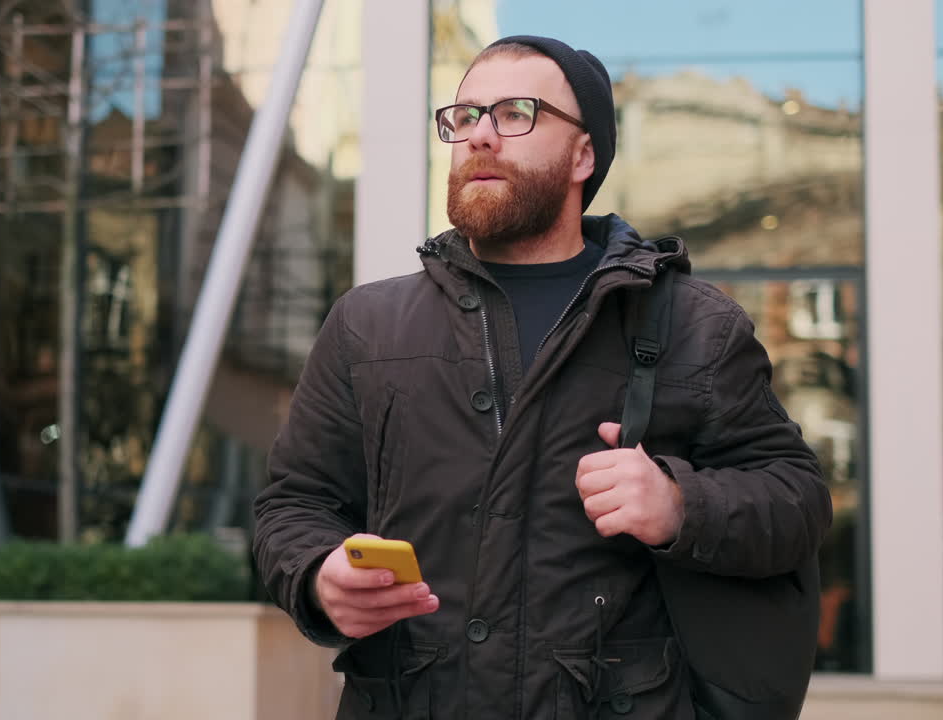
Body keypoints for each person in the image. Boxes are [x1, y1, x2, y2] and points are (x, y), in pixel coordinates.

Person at [254, 35, 832, 719]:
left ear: (584, 155)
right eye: (465, 116)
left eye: (515, 113)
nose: (480, 135)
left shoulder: (692, 324)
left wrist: (680, 505)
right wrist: (319, 576)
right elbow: (293, 505)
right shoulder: (367, 325)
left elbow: (797, 501)